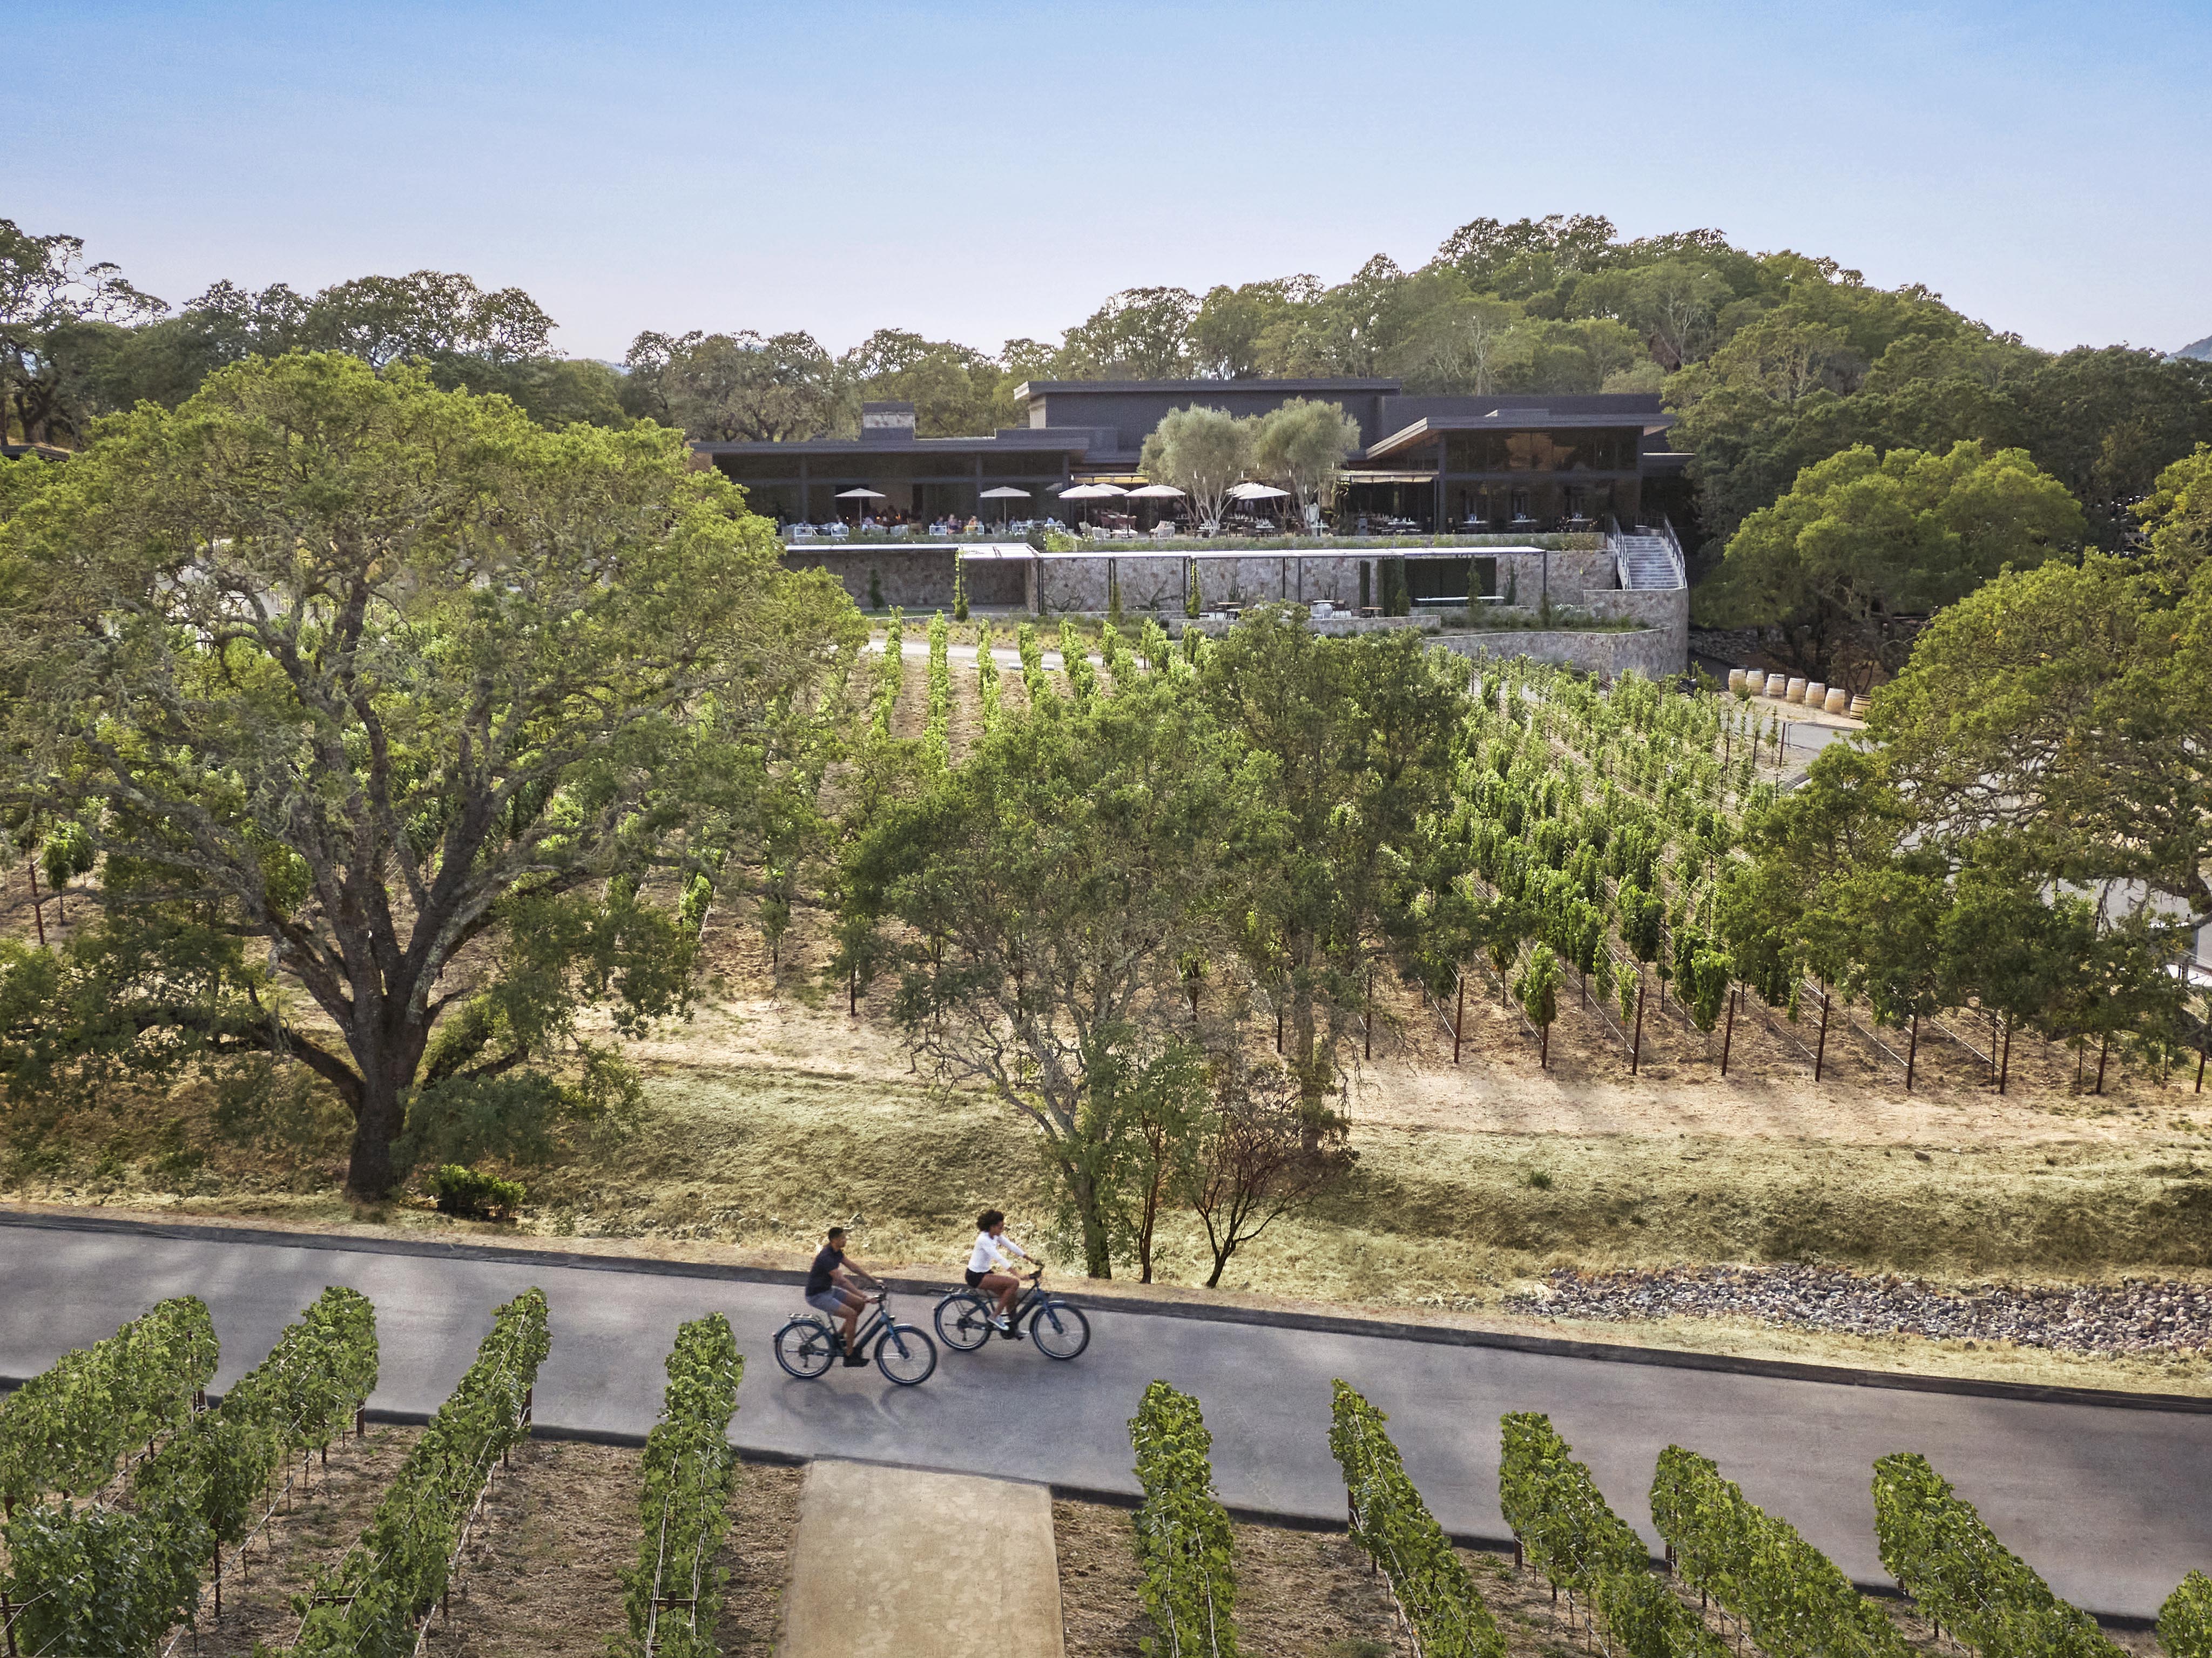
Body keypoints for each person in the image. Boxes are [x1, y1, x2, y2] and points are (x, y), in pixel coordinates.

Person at [806, 1225, 880, 1365]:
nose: (846, 1240)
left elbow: (853, 1267)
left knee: (859, 1304)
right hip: (817, 1295)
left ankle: (838, 1337)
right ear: (834, 1240)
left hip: (828, 1290)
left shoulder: (837, 1252)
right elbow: (842, 1281)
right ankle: (850, 1356)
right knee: (851, 1315)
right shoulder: (826, 1257)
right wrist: (864, 1295)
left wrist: (873, 1280)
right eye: (843, 1238)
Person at [966, 1209, 1034, 1333]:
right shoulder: (984, 1239)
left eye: (1003, 1227)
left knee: (1011, 1296)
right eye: (1000, 1227)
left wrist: (1029, 1258)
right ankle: (995, 1316)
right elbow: (999, 1258)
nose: (1002, 1230)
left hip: (985, 1273)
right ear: (992, 1227)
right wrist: (1017, 1275)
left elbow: (1011, 1246)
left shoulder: (995, 1236)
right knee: (1014, 1283)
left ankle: (1013, 1328)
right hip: (975, 1276)